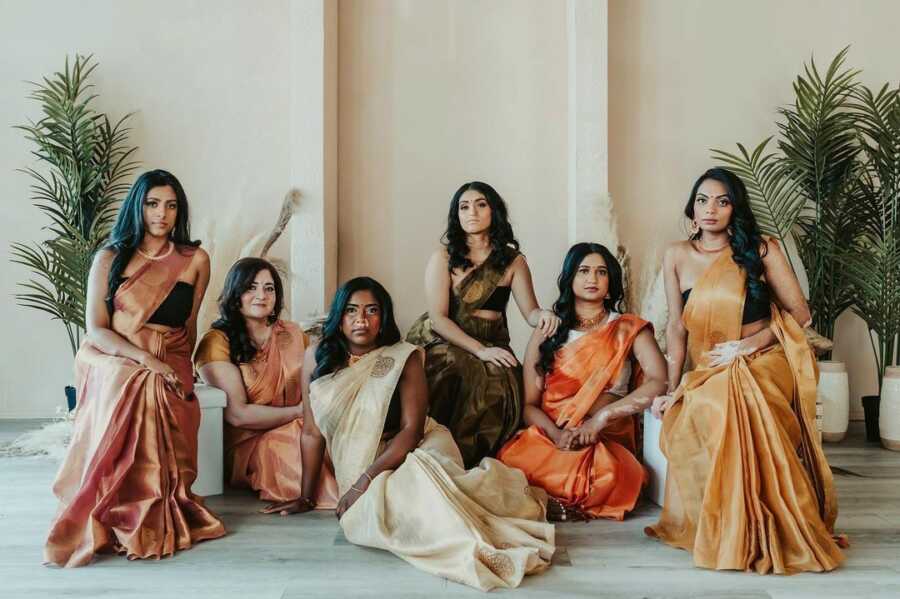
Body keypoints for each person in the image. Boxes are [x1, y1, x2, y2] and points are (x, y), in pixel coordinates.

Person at [263, 277, 555, 591]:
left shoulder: (403, 355)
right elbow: (311, 433)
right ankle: (462, 538)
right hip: (364, 453)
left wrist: (365, 480)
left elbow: (411, 430)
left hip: (419, 443)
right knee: (382, 509)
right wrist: (306, 496)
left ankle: (475, 546)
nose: (361, 319)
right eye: (351, 310)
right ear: (339, 316)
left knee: (422, 481)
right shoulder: (317, 356)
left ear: (384, 317)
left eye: (372, 310)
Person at [645, 167, 844, 574]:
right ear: (692, 207)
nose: (710, 209)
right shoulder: (676, 255)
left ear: (736, 208)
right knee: (704, 403)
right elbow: (676, 327)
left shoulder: (762, 249)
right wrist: (671, 387)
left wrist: (747, 346)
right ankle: (726, 524)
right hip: (710, 363)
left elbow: (800, 315)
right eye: (702, 200)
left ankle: (763, 525)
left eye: (722, 201)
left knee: (730, 399)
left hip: (764, 356)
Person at [45, 170, 225, 567]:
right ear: (138, 206)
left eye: (171, 205)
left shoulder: (194, 260)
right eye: (153, 203)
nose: (162, 213)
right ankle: (117, 509)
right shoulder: (109, 257)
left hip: (170, 351)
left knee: (160, 384)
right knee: (139, 381)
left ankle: (153, 505)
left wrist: (182, 366)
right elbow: (95, 328)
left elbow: (190, 324)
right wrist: (146, 359)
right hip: (112, 352)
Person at [498, 243, 667, 521]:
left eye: (601, 272)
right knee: (512, 463)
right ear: (569, 279)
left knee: (614, 475)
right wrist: (556, 434)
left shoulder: (628, 328)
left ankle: (547, 499)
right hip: (553, 435)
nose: (592, 279)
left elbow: (658, 382)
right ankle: (552, 499)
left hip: (605, 437)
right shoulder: (547, 333)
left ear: (611, 282)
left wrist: (600, 419)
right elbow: (530, 406)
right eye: (584, 271)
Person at [406, 181, 560, 467]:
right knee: (458, 366)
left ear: (494, 211)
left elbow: (531, 312)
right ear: (456, 215)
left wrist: (545, 316)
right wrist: (479, 350)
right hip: (446, 339)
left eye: (480, 204)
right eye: (464, 207)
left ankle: (474, 463)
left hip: (493, 342)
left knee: (503, 381)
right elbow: (439, 319)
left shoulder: (513, 261)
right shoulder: (444, 257)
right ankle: (437, 458)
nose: (472, 212)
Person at [194, 258, 339, 506]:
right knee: (293, 451)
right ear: (235, 293)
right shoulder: (217, 342)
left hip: (302, 425)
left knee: (342, 439)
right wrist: (299, 412)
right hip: (250, 441)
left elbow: (317, 387)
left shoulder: (292, 334)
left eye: (269, 288)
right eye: (251, 287)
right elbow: (238, 415)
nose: (261, 295)